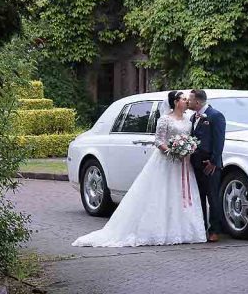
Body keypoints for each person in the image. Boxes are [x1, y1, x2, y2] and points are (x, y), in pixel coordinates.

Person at [71, 91, 206, 247]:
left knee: (180, 195)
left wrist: (187, 149)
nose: (187, 102)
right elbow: (158, 140)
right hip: (168, 161)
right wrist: (171, 151)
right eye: (184, 99)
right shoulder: (165, 120)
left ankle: (184, 231)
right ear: (176, 102)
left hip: (183, 164)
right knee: (163, 194)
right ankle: (161, 230)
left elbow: (189, 137)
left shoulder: (188, 120)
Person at [188, 89, 226, 242]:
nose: (188, 102)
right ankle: (201, 228)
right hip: (194, 164)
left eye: (190, 100)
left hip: (209, 164)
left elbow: (219, 141)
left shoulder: (215, 116)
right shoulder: (192, 117)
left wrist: (214, 162)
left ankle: (215, 230)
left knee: (213, 197)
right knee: (199, 198)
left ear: (197, 102)